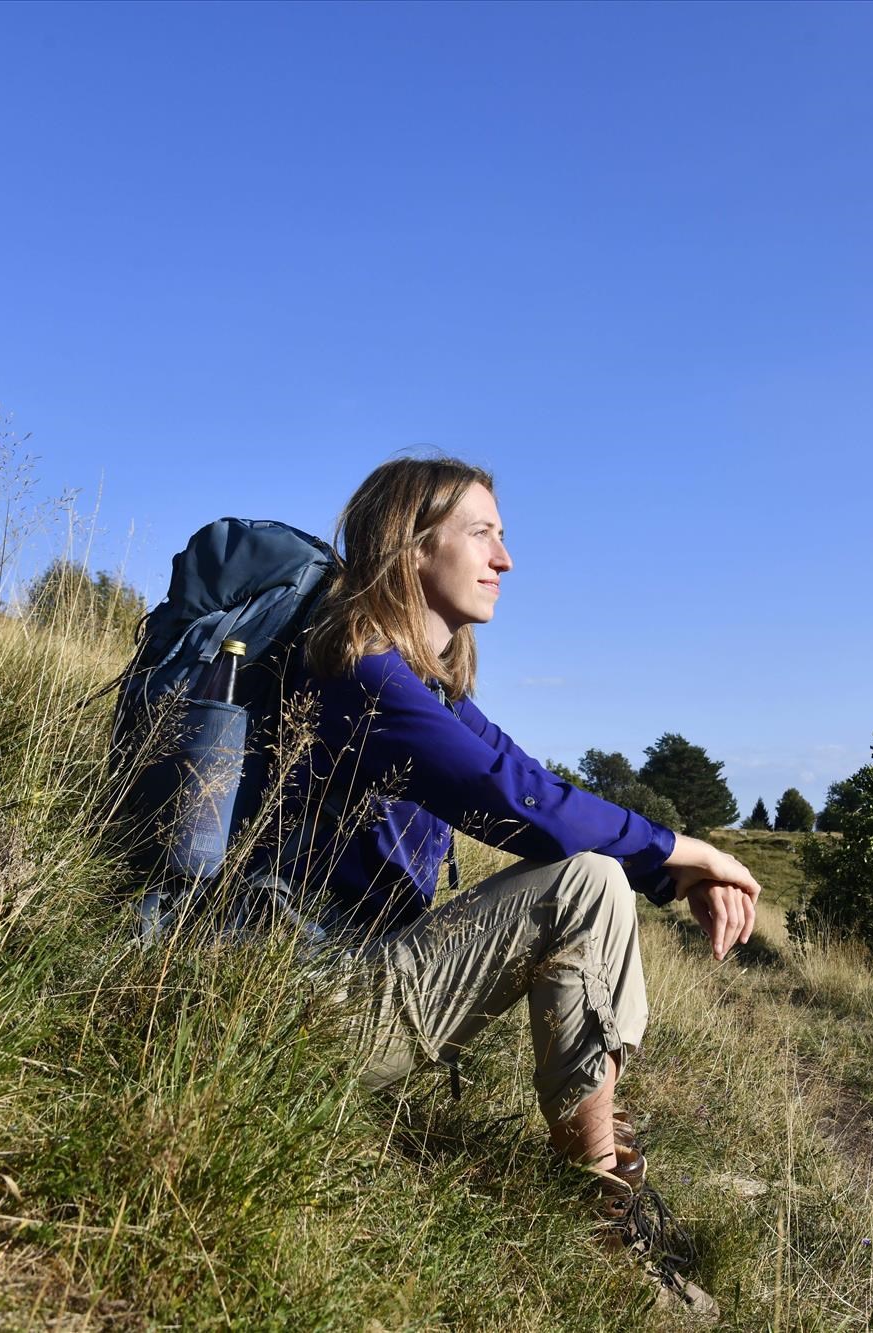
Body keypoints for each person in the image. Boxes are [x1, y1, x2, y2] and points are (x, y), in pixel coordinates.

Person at [269, 455, 762, 1254]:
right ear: (412, 546)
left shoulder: (422, 689)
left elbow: (531, 780)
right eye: (482, 534)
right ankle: (601, 1215)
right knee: (588, 885)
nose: (504, 559)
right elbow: (516, 801)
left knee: (596, 875)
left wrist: (674, 872)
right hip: (304, 1019)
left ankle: (602, 1180)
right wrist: (691, 848)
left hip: (344, 991)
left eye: (503, 536)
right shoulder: (361, 677)